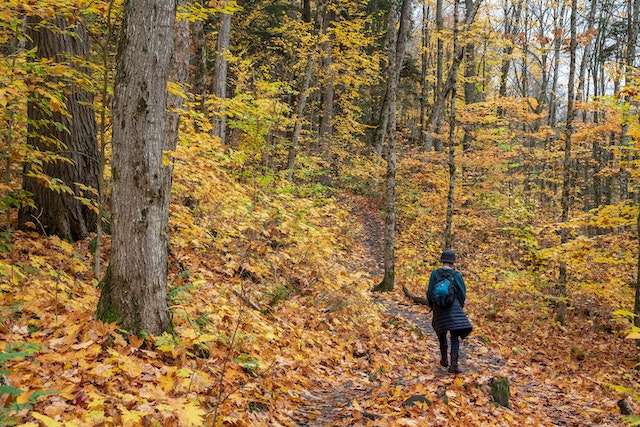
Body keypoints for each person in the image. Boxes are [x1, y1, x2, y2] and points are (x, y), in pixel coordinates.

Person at [427, 250, 473, 374]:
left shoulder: (435, 274)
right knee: (454, 337)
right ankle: (453, 365)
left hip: (438, 308)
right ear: (452, 263)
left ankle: (444, 360)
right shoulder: (456, 275)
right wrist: (460, 306)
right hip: (454, 309)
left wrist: (432, 305)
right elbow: (462, 293)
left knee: (441, 333)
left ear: (442, 261)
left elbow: (430, 291)